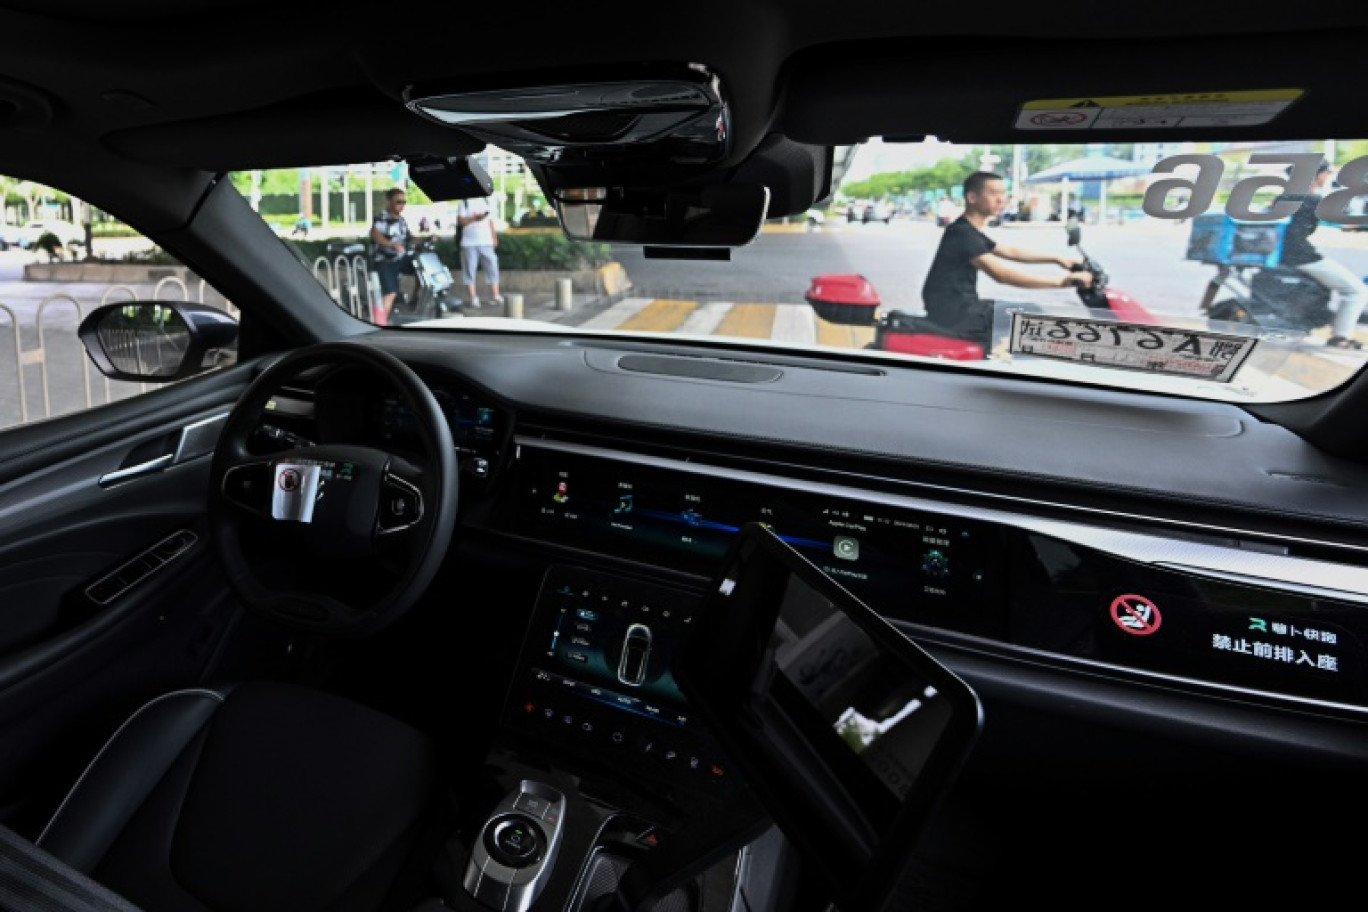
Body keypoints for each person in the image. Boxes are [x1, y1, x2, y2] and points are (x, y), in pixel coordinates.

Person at [921, 171, 1093, 348]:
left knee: (1025, 315)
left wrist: (1058, 259)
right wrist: (1062, 283)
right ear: (972, 197)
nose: (1001, 199)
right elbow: (1002, 275)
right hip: (955, 313)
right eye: (994, 193)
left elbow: (1011, 252)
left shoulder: (968, 230)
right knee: (1032, 315)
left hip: (957, 308)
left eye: (1003, 193)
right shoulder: (963, 234)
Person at [1277, 159, 1366, 349]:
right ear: (1316, 175)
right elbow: (1344, 222)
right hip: (1301, 256)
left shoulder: (1282, 198)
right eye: (1327, 173)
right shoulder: (1311, 200)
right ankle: (1340, 337)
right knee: (1356, 291)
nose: (1328, 177)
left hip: (1280, 254)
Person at [369, 187, 412, 324]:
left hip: (400, 259)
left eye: (404, 202)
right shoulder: (382, 217)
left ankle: (414, 302)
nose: (402, 205)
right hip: (384, 261)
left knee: (422, 270)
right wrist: (391, 244)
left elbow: (409, 238)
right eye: (398, 201)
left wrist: (426, 239)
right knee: (390, 293)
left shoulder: (402, 221)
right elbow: (375, 234)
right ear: (389, 202)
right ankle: (381, 323)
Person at [456, 196, 503, 308]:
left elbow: (490, 221)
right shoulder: (464, 201)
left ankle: (495, 295)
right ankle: (473, 297)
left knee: (492, 267)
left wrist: (494, 237)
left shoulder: (486, 200)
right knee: (469, 270)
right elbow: (460, 221)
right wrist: (475, 218)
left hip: (486, 241)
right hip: (469, 242)